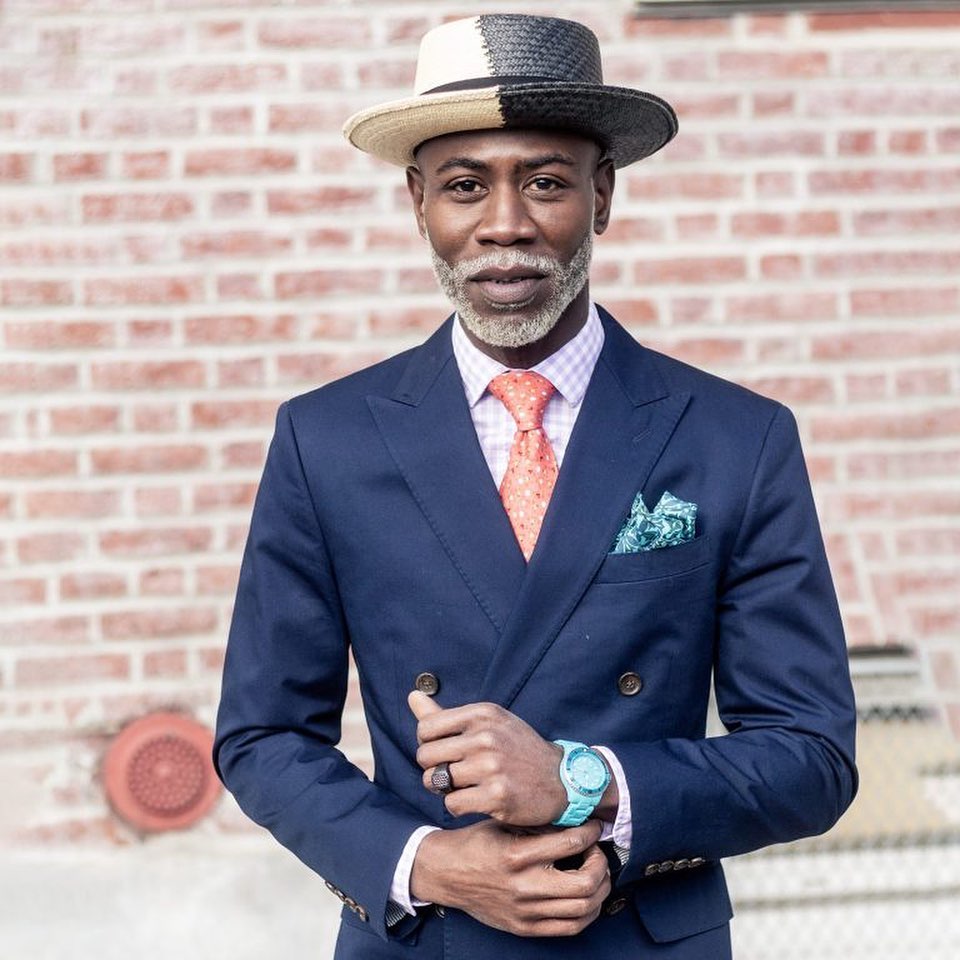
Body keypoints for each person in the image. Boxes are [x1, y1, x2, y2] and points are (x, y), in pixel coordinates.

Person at [213, 14, 858, 959]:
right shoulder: (326, 440)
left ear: (603, 195)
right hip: (430, 939)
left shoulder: (737, 438)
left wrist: (583, 782)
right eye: (464, 185)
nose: (505, 224)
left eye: (546, 182)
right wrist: (429, 862)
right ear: (419, 202)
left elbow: (812, 755)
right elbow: (262, 737)